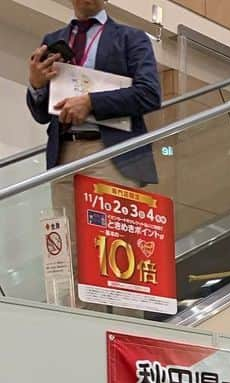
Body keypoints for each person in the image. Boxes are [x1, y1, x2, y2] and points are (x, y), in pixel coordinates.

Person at [27, 0, 161, 232]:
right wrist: (36, 84)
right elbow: (41, 115)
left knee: (109, 243)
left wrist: (91, 103)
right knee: (66, 252)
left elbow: (149, 94)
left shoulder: (131, 38)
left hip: (110, 151)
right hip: (62, 154)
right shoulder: (52, 41)